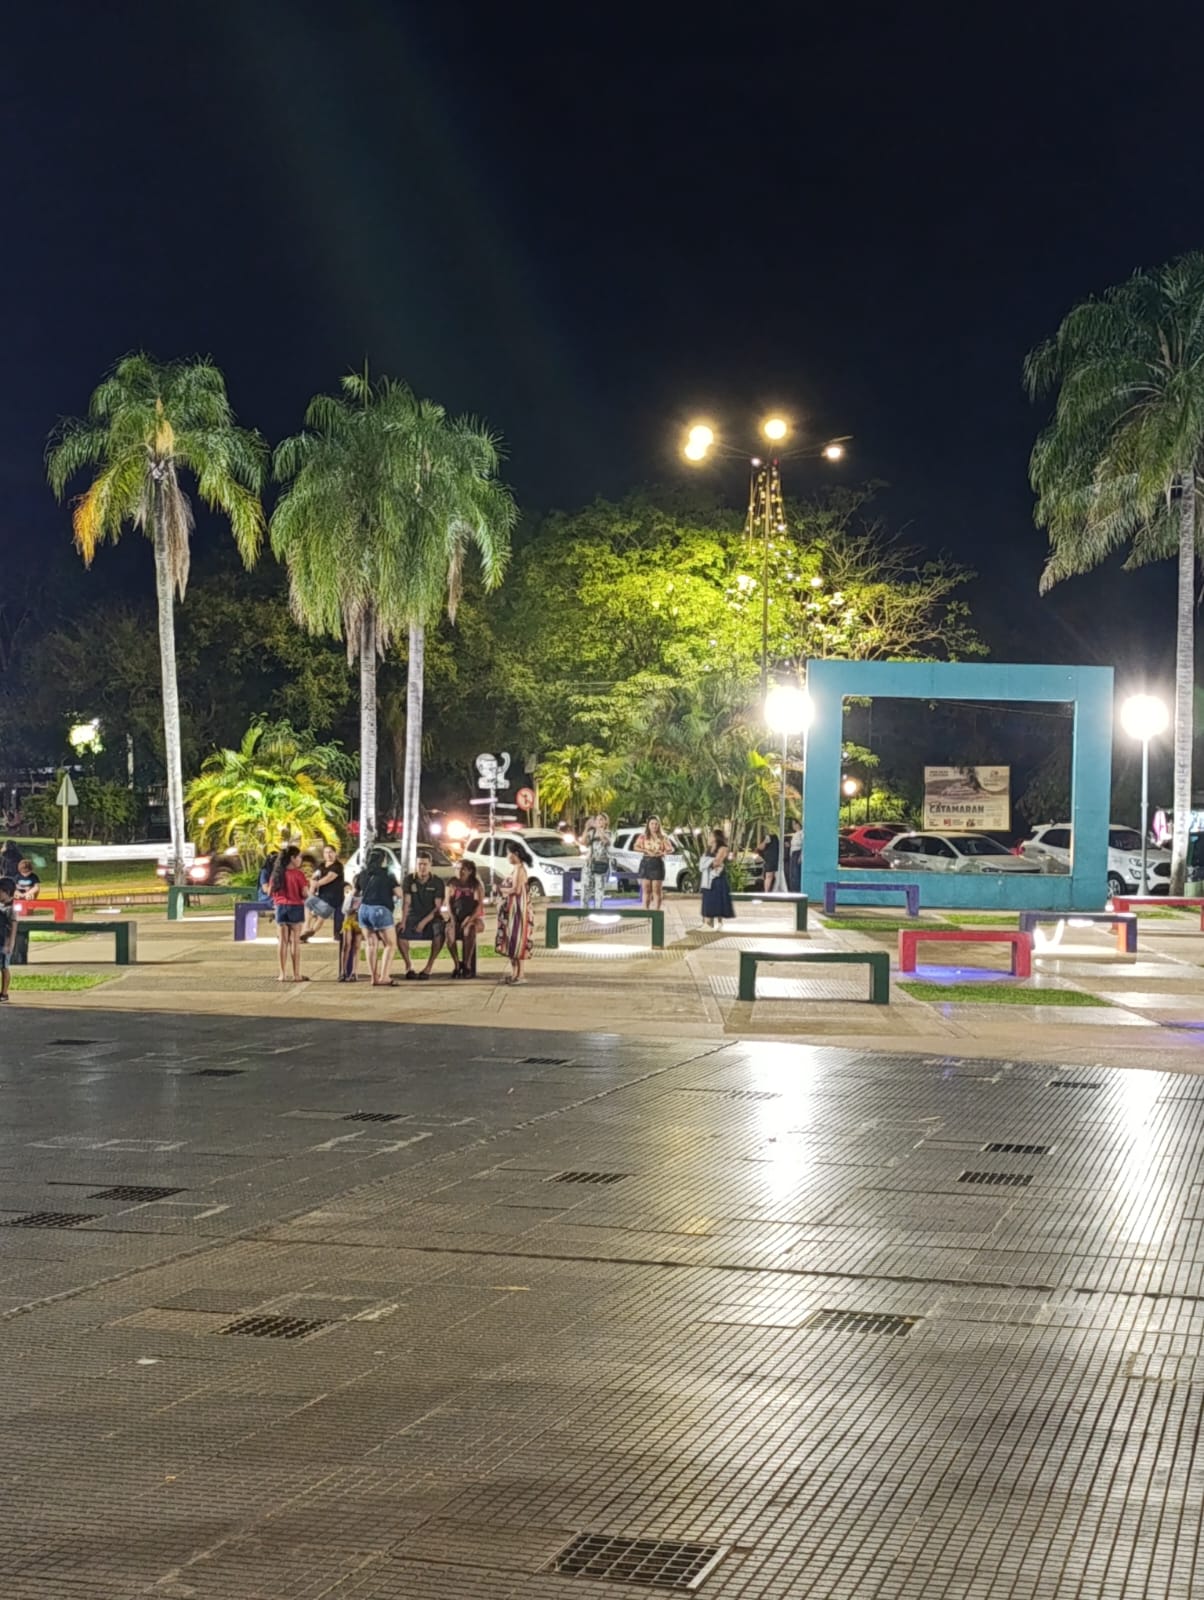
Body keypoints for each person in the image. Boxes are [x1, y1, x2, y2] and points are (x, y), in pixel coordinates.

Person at [355, 848, 404, 986]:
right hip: (381, 910)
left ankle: (373, 978)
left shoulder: (362, 874)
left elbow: (355, 892)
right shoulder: (387, 874)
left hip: (363, 910)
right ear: (383, 860)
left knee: (371, 944)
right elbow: (399, 893)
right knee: (390, 944)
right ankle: (384, 976)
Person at [399, 854, 451, 979]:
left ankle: (428, 967)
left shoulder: (437, 882)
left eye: (425, 864)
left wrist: (423, 922)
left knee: (439, 930)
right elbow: (407, 902)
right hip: (413, 915)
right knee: (400, 931)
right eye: (419, 864)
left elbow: (437, 907)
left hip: (431, 916)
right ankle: (408, 966)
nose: (422, 867)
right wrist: (403, 921)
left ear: (430, 865)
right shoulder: (409, 880)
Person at [496, 840, 535, 984]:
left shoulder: (519, 869)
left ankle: (519, 975)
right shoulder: (517, 869)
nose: (507, 857)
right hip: (513, 910)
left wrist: (500, 889)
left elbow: (516, 890)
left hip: (518, 912)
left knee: (517, 941)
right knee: (512, 942)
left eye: (508, 853)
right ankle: (515, 974)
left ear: (516, 854)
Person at [269, 845, 309, 983]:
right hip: (295, 907)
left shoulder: (277, 873)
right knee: (295, 942)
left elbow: (269, 892)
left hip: (280, 907)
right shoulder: (299, 874)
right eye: (299, 857)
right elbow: (304, 893)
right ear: (292, 858)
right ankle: (296, 974)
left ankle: (282, 974)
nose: (300, 859)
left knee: (282, 941)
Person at [448, 860, 485, 978]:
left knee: (469, 930)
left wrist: (469, 919)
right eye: (458, 868)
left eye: (463, 869)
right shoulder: (452, 884)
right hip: (456, 917)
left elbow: (479, 906)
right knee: (449, 932)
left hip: (473, 918)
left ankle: (467, 964)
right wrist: (453, 920)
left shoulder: (475, 885)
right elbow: (448, 904)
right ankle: (457, 964)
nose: (460, 871)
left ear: (470, 871)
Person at [300, 845, 345, 943]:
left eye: (330, 852)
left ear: (335, 853)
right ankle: (307, 930)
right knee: (308, 904)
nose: (328, 855)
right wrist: (312, 888)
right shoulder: (321, 865)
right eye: (326, 852)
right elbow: (315, 876)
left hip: (333, 898)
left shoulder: (338, 866)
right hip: (322, 896)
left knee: (321, 917)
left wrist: (316, 884)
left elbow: (328, 878)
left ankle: (308, 933)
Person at [700, 828, 735, 929]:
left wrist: (708, 862)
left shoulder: (723, 848)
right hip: (708, 877)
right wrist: (708, 862)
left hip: (718, 877)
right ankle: (707, 923)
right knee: (708, 900)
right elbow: (705, 861)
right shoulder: (709, 849)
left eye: (711, 835)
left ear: (716, 837)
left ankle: (719, 923)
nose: (709, 838)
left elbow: (717, 862)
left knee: (718, 900)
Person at [634, 816, 670, 911]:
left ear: (659, 825)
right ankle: (646, 911)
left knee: (656, 890)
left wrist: (662, 853)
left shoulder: (663, 837)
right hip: (646, 862)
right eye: (652, 824)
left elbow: (670, 849)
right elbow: (635, 847)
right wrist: (646, 850)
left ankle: (656, 912)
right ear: (648, 825)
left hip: (657, 863)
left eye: (656, 824)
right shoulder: (643, 836)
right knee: (646, 890)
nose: (654, 826)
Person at [582, 813, 612, 910]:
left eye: (601, 820)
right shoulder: (592, 833)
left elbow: (606, 841)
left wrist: (599, 829)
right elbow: (583, 842)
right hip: (589, 863)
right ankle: (583, 911)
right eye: (597, 820)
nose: (598, 822)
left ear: (606, 821)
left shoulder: (608, 833)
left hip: (601, 863)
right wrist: (586, 828)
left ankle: (598, 910)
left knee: (599, 889)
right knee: (585, 888)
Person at [0, 876, 15, 1002]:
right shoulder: (1, 906)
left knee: (4, 967)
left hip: (4, 942)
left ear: (7, 892)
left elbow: (13, 927)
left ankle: (4, 993)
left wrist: (9, 944)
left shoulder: (11, 909)